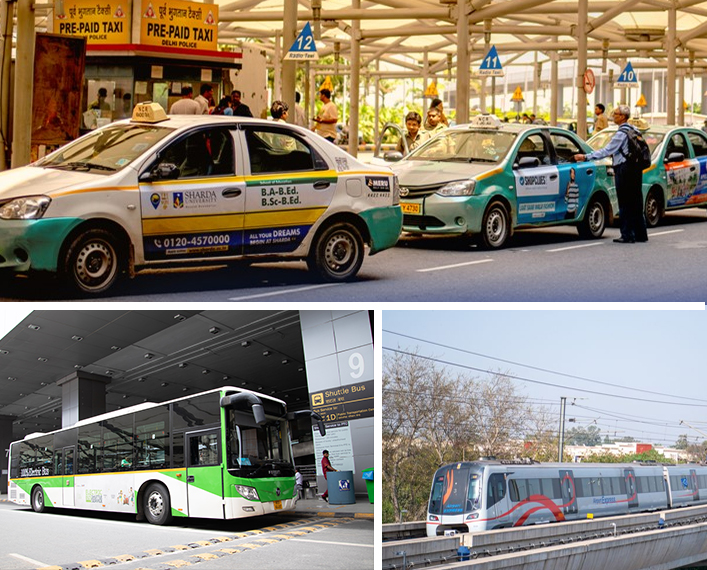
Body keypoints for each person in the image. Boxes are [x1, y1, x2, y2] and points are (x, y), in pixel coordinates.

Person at [573, 104, 648, 243]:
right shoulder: (635, 130)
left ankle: (627, 235)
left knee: (625, 202)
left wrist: (585, 157)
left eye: (616, 114)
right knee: (636, 202)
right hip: (635, 169)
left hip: (624, 169)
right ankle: (641, 234)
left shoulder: (621, 134)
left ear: (623, 117)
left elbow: (606, 151)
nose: (614, 115)